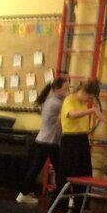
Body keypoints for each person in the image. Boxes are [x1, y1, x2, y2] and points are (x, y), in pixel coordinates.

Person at [16, 76, 70, 205]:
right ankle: (24, 193)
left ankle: (25, 193)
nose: (67, 92)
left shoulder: (49, 99)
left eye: (68, 89)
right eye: (65, 89)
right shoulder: (57, 103)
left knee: (52, 168)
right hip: (48, 142)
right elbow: (69, 111)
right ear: (56, 89)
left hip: (46, 141)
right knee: (44, 169)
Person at [56, 79, 104, 213]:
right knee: (66, 174)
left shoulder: (83, 103)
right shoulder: (69, 100)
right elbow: (71, 115)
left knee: (84, 172)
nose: (90, 100)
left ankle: (81, 206)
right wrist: (92, 110)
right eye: (89, 97)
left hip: (82, 139)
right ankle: (60, 207)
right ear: (83, 91)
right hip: (70, 140)